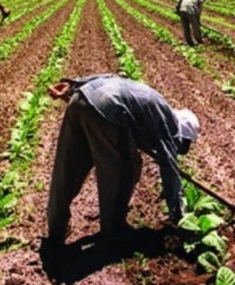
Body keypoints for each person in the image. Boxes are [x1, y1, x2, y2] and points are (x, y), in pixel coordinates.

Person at [44, 74, 200, 247]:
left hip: (79, 99)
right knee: (126, 168)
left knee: (68, 168)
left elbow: (113, 77)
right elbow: (169, 168)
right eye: (183, 144)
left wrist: (74, 86)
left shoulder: (153, 103)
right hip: (106, 109)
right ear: (182, 133)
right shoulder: (167, 122)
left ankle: (56, 230)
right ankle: (114, 229)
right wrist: (179, 216)